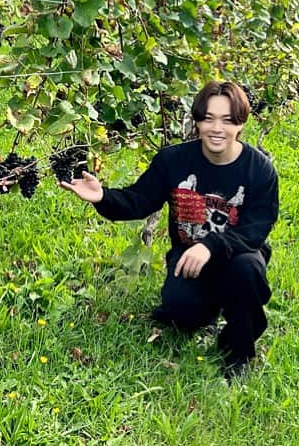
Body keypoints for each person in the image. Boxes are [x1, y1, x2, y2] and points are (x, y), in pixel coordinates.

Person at [61, 80, 279, 379]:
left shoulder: (259, 169)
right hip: (188, 256)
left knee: (246, 273)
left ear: (240, 124)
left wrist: (210, 246)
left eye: (227, 120)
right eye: (209, 118)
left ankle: (238, 350)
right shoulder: (173, 161)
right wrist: (103, 197)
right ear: (197, 121)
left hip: (237, 254)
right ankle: (206, 306)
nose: (217, 128)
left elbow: (257, 228)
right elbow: (139, 200)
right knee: (182, 315)